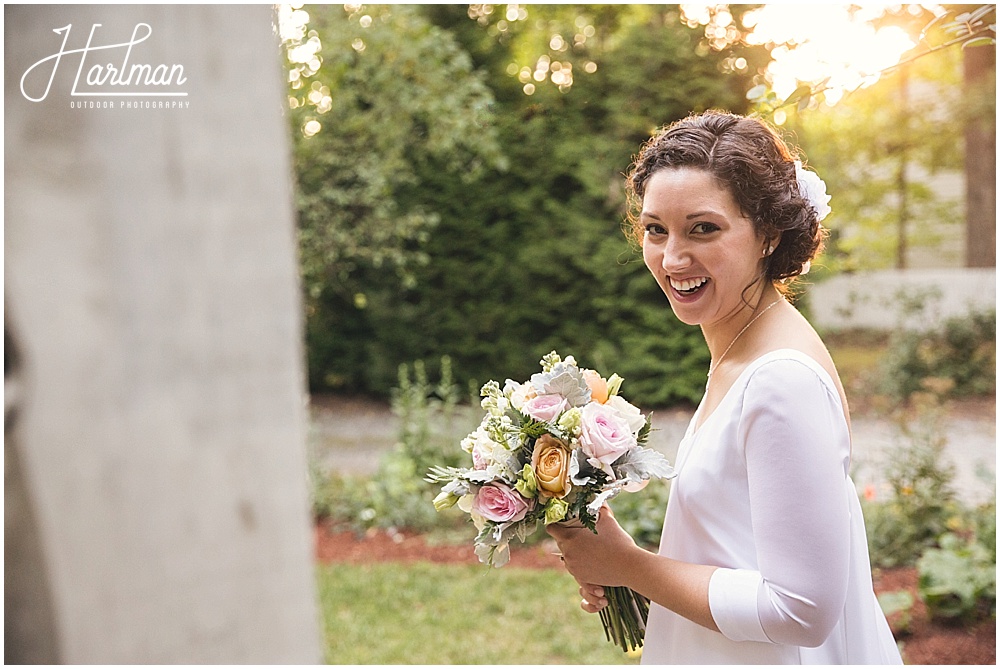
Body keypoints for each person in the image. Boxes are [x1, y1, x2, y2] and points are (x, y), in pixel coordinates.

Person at [546, 110, 902, 664]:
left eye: (703, 228)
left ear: (768, 235)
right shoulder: (742, 350)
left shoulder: (781, 379)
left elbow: (802, 610)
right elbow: (739, 553)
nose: (672, 257)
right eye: (655, 229)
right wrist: (616, 564)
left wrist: (626, 565)